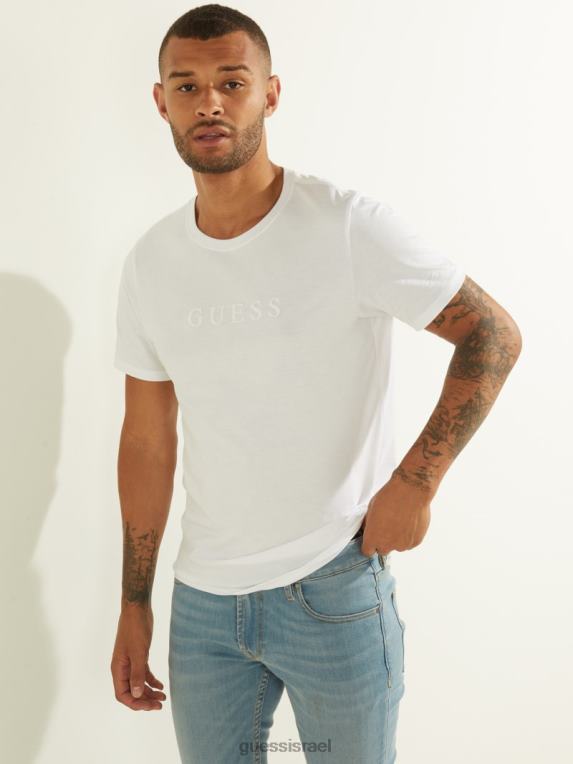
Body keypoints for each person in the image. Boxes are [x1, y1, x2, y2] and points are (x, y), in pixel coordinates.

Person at [109, 5, 522, 762]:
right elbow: (146, 439)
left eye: (232, 82)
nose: (209, 102)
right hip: (204, 606)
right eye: (187, 85)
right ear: (161, 102)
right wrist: (135, 602)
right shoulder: (151, 263)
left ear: (269, 94)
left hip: (331, 584)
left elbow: (492, 335)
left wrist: (415, 482)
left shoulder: (346, 225)